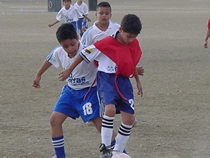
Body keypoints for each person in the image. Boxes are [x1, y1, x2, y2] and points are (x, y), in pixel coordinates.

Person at [58, 14, 143, 158]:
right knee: (109, 109)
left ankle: (117, 152)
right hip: (106, 80)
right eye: (128, 36)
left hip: (123, 82)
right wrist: (69, 70)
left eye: (133, 37)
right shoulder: (105, 43)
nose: (130, 40)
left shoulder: (133, 44)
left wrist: (137, 81)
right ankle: (104, 147)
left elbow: (130, 63)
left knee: (129, 119)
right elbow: (83, 55)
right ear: (121, 29)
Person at [33, 23, 102, 158]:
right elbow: (49, 60)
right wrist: (38, 75)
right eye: (66, 46)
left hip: (89, 92)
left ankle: (121, 153)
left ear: (77, 38)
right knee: (54, 120)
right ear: (60, 44)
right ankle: (60, 156)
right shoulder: (58, 52)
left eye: (73, 44)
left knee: (100, 125)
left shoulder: (88, 50)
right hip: (70, 92)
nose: (70, 48)